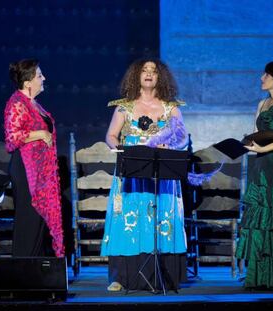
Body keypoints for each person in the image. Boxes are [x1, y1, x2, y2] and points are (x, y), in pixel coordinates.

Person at [100, 59, 188, 292]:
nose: (149, 74)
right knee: (128, 220)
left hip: (161, 171)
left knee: (160, 219)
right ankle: (121, 277)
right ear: (136, 76)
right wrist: (116, 148)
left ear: (161, 77)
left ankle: (165, 276)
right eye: (144, 71)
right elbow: (111, 135)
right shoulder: (124, 107)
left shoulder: (171, 107)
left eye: (154, 71)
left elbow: (183, 138)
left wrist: (172, 145)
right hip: (132, 170)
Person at [4, 58, 64, 258]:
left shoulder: (34, 104)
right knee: (28, 217)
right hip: (25, 169)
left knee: (39, 220)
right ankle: (22, 267)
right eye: (39, 75)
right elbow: (12, 138)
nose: (43, 78)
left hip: (41, 170)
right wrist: (40, 134)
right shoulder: (16, 103)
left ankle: (35, 269)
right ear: (28, 82)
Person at [236, 61, 273, 291]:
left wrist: (264, 149)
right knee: (260, 219)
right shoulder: (263, 103)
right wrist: (247, 143)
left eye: (267, 74)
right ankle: (261, 275)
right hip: (261, 164)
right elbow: (257, 132)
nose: (262, 77)